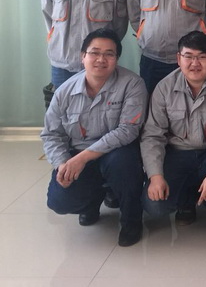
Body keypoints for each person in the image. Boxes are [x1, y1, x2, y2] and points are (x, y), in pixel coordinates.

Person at [42, 28, 147, 247]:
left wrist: (83, 158)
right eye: (94, 53)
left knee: (124, 163)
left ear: (116, 59)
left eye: (109, 54)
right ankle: (92, 203)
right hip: (78, 152)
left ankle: (131, 220)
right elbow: (52, 134)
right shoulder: (64, 91)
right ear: (83, 56)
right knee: (59, 202)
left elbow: (128, 130)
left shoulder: (132, 84)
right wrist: (63, 164)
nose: (101, 59)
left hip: (116, 151)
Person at [140, 31, 206, 245]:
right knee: (154, 206)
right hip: (178, 153)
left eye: (202, 57)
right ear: (178, 59)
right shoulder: (164, 88)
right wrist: (155, 176)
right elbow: (152, 135)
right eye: (188, 56)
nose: (195, 63)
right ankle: (186, 202)